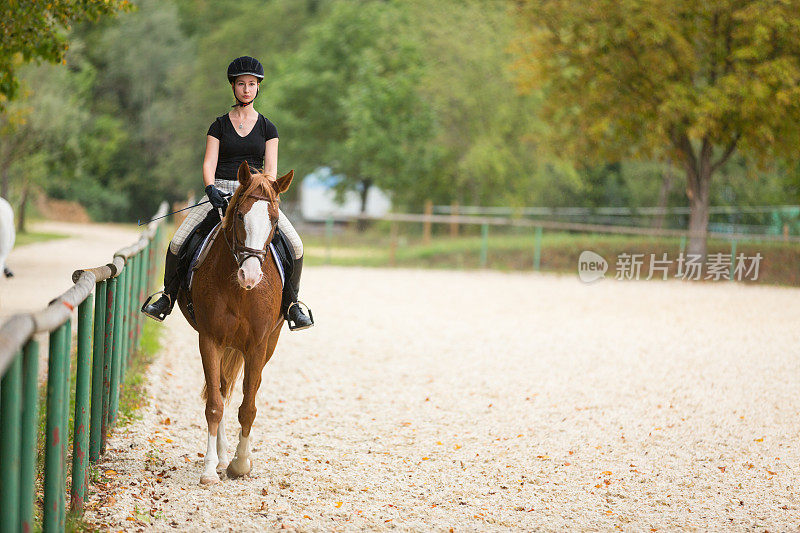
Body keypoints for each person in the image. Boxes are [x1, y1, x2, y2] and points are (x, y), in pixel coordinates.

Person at [142, 56, 313, 331]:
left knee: (296, 246)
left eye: (252, 84)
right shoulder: (219, 125)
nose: (247, 89)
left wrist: (261, 194)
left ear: (258, 88)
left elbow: (271, 171)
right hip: (220, 191)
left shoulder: (269, 128)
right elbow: (209, 162)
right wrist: (211, 189)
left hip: (256, 197)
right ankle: (167, 297)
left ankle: (292, 305)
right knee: (177, 242)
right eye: (241, 84)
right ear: (233, 87)